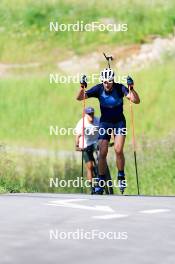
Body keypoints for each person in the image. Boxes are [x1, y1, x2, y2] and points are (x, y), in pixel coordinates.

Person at [76, 68, 140, 194]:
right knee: (102, 152)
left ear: (113, 80)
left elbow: (136, 101)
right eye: (105, 82)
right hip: (105, 122)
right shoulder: (98, 89)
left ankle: (121, 175)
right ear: (102, 81)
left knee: (118, 149)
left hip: (119, 122)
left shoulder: (120, 88)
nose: (107, 84)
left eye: (109, 81)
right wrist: (82, 87)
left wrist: (131, 88)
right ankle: (100, 182)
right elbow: (80, 98)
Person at [75, 107, 100, 194]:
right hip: (85, 144)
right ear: (86, 115)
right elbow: (77, 136)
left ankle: (100, 166)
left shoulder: (98, 120)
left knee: (100, 147)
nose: (91, 116)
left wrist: (111, 140)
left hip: (95, 142)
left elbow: (106, 130)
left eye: (92, 113)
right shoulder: (82, 123)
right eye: (89, 114)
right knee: (90, 166)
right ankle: (92, 187)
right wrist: (77, 146)